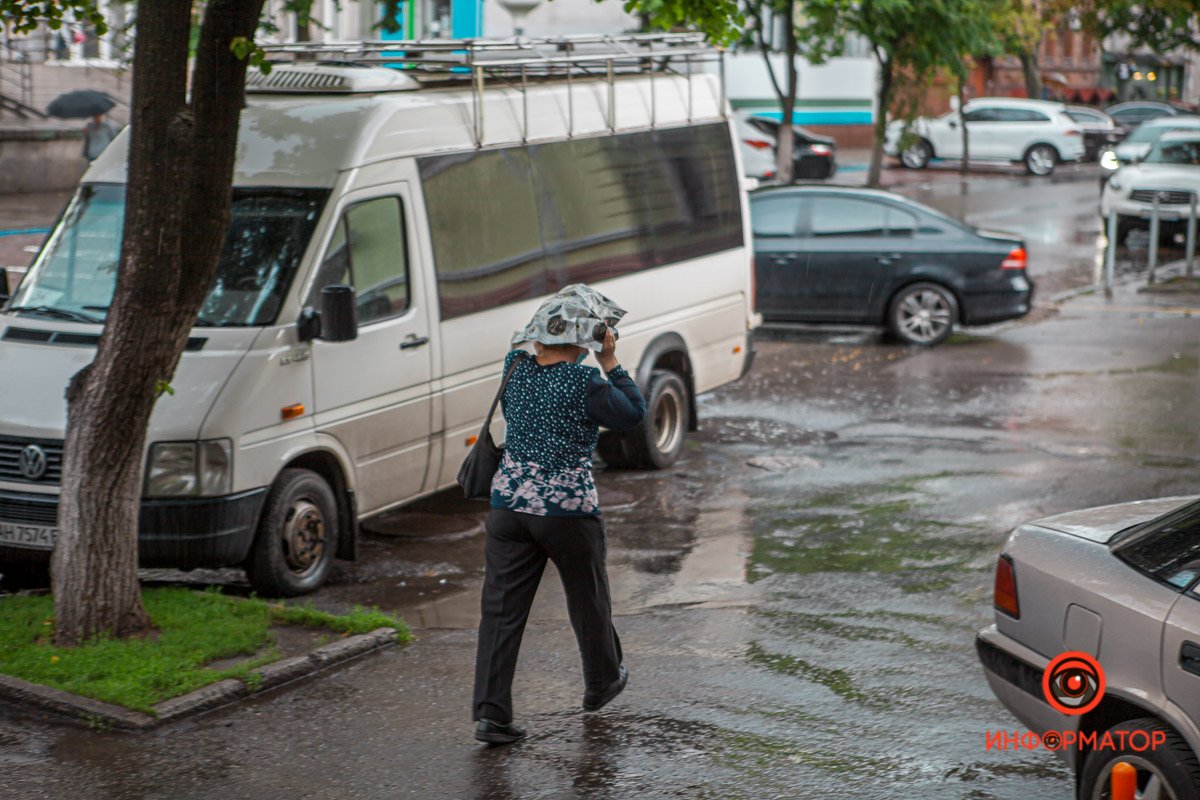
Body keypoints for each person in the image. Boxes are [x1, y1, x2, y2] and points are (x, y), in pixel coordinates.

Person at [473, 285, 647, 746]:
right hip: (565, 511)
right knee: (587, 598)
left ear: (537, 336)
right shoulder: (584, 380)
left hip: (508, 507)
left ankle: (491, 715)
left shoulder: (515, 369)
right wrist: (610, 362)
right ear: (587, 337)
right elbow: (632, 414)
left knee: (500, 612)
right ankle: (602, 682)